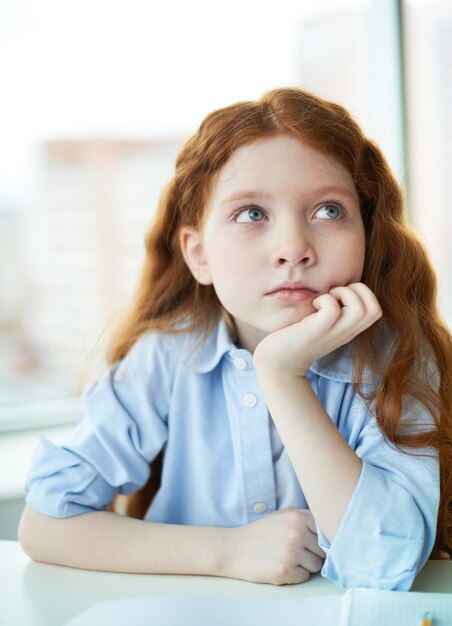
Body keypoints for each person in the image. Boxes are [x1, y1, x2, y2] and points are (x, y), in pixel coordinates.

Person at [18, 88, 452, 590]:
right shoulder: (166, 358)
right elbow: (45, 524)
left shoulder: (398, 360)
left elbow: (386, 565)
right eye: (251, 214)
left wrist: (282, 376)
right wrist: (228, 553)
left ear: (367, 236)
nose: (293, 248)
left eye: (329, 211)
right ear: (198, 255)